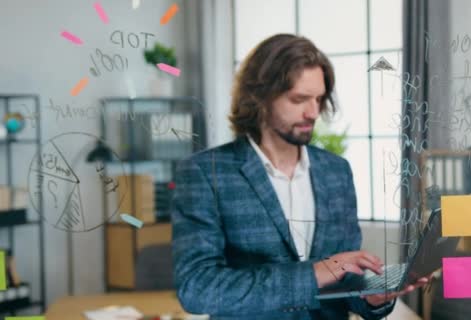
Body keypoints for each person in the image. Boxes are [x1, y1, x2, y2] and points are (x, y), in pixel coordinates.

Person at [172, 34, 427, 320]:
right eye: (299, 99)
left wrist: (370, 296)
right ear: (260, 98)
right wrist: (313, 274)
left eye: (318, 99)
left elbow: (343, 277)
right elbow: (196, 289)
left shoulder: (336, 171)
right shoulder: (205, 173)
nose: (313, 112)